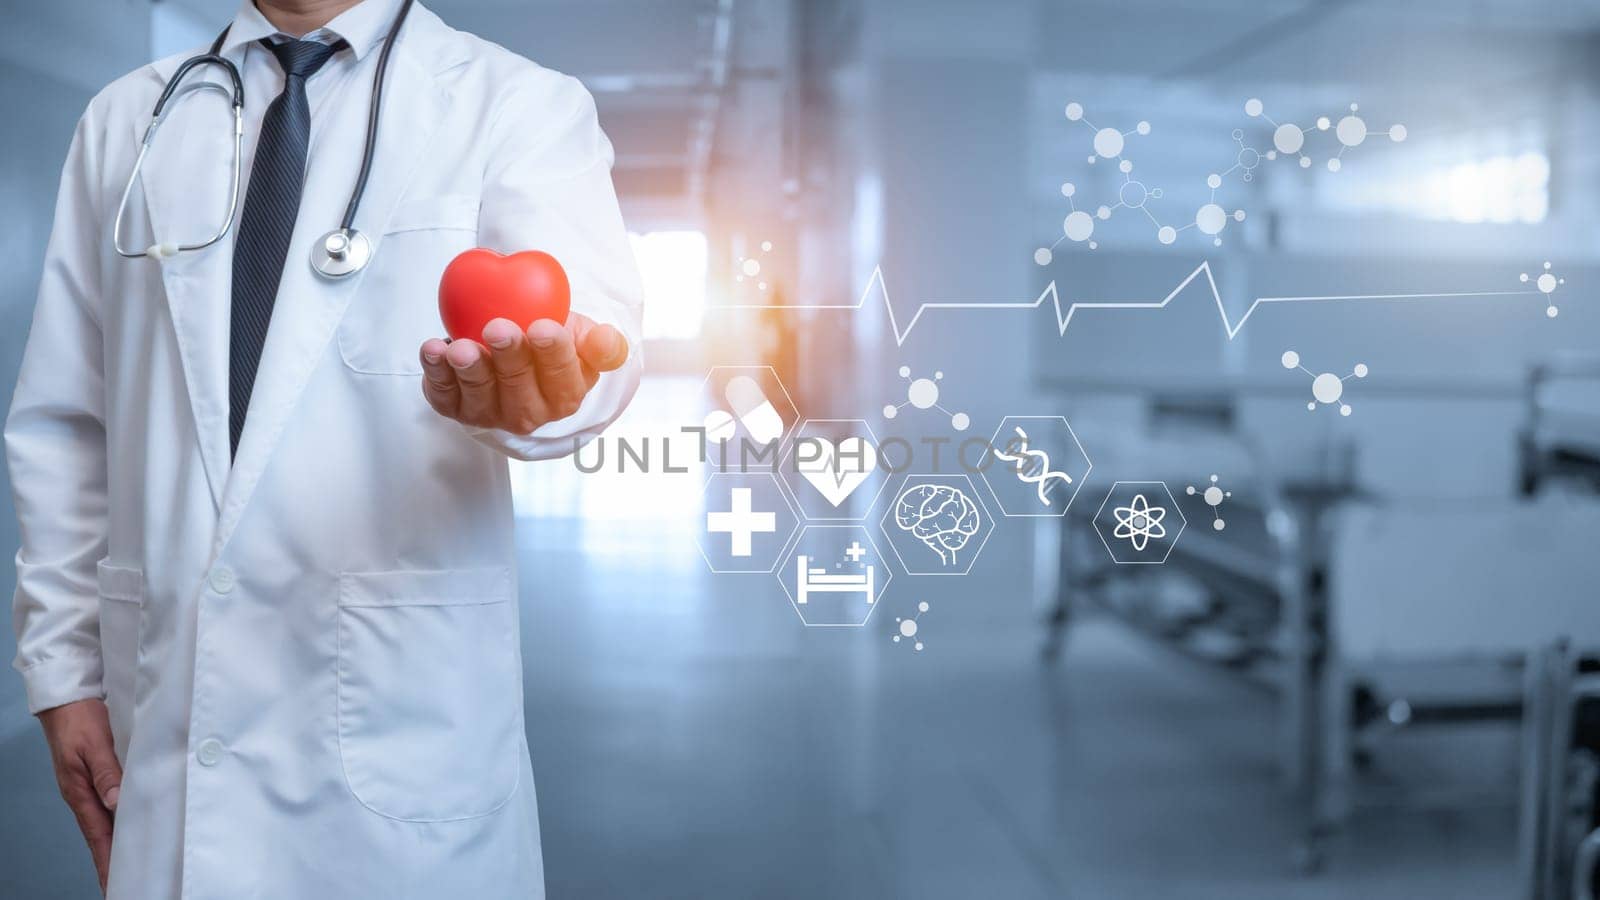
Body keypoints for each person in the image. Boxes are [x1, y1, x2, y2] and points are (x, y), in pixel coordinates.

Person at [6, 0, 642, 895]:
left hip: (401, 742)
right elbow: (68, 422)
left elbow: (592, 346)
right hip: (169, 718)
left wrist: (552, 394)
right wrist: (62, 674)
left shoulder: (518, 105)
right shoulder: (129, 118)